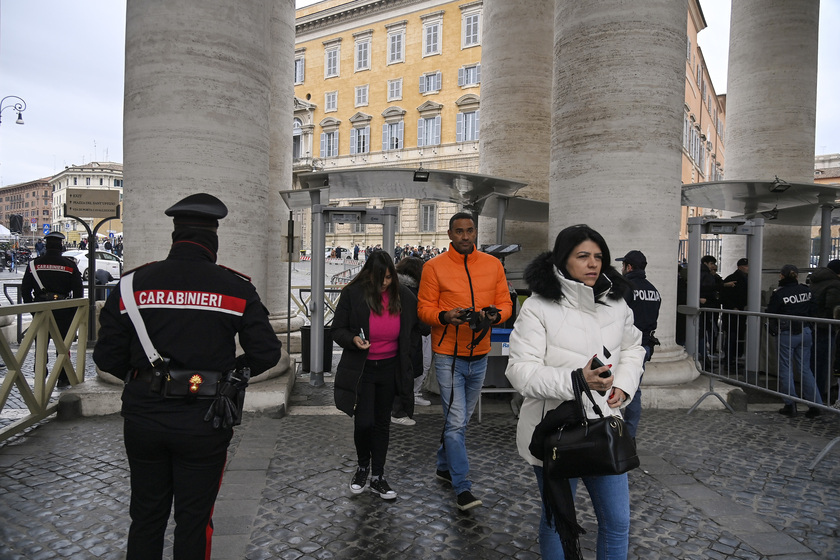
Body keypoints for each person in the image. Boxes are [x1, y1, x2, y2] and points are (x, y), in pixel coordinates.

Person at [93, 193, 282, 560]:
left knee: (146, 517)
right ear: (213, 240)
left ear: (174, 235)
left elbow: (105, 356)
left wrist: (143, 379)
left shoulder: (132, 285)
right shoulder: (235, 288)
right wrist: (233, 375)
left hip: (144, 418)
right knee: (195, 521)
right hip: (205, 420)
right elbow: (267, 352)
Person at [505, 224, 645, 559]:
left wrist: (624, 386)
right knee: (558, 522)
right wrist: (575, 380)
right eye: (583, 256)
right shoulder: (537, 307)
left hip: (604, 427)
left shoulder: (616, 304)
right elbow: (520, 371)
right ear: (562, 259)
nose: (593, 263)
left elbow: (633, 349)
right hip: (555, 431)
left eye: (598, 256)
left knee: (617, 521)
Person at [417, 212, 512, 511]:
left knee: (459, 421)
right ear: (450, 234)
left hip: (479, 353)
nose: (465, 237)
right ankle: (463, 487)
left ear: (475, 232)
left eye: (470, 231)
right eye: (459, 231)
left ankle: (443, 466)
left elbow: (506, 303)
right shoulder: (433, 268)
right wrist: (446, 317)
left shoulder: (493, 264)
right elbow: (424, 310)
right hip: (448, 356)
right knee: (456, 422)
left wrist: (496, 315)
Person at [332, 250, 418, 500]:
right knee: (364, 421)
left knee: (381, 423)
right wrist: (353, 339)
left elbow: (417, 327)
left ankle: (378, 476)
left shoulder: (404, 296)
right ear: (368, 274)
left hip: (390, 369)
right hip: (363, 370)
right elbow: (337, 330)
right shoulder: (353, 293)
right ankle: (362, 467)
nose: (384, 283)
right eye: (379, 278)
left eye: (389, 278)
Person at [21, 231, 84, 388]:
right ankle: (63, 377)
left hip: (40, 309)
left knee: (41, 342)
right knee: (63, 345)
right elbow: (78, 292)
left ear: (45, 245)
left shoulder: (33, 265)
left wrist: (33, 309)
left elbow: (25, 291)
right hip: (63, 310)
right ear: (61, 246)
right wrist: (72, 311)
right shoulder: (70, 266)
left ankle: (40, 371)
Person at [765, 264, 823, 418]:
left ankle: (790, 405)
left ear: (781, 276)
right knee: (805, 369)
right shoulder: (806, 290)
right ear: (797, 276)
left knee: (785, 368)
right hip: (805, 332)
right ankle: (815, 405)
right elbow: (814, 310)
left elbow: (771, 312)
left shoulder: (780, 293)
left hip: (787, 333)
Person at [616, 249, 660, 439]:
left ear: (629, 267)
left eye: (623, 265)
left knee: (623, 388)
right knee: (633, 388)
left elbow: (617, 317)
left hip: (626, 346)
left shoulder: (626, 288)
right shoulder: (654, 291)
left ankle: (621, 436)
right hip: (646, 344)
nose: (622, 269)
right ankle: (629, 435)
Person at [391, 256, 432, 427]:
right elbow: (421, 322)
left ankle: (402, 405)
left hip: (397, 339)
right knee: (406, 373)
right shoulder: (411, 292)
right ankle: (399, 411)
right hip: (408, 339)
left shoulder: (395, 289)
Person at [809, 261, 840, 404]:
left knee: (815, 362)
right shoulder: (834, 284)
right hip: (827, 328)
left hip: (815, 325)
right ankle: (820, 396)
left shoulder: (816, 280)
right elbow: (833, 308)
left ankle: (812, 392)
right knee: (825, 363)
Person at [721, 258, 749, 369]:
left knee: (735, 336)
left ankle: (732, 359)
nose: (748, 268)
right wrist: (733, 307)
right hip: (732, 313)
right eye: (746, 266)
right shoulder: (733, 279)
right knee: (731, 337)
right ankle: (729, 361)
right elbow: (724, 296)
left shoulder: (745, 278)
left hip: (738, 312)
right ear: (740, 267)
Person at [699, 255, 722, 365]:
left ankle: (705, 354)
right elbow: (710, 290)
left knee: (704, 332)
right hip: (708, 307)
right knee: (709, 331)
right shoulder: (707, 276)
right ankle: (706, 355)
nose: (714, 266)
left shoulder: (706, 275)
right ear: (706, 264)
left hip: (707, 307)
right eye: (712, 264)